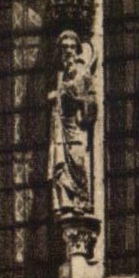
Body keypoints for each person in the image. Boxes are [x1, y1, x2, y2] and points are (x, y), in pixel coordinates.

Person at [48, 31, 98, 217]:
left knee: (78, 160)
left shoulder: (82, 73)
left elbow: (90, 99)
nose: (68, 51)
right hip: (60, 128)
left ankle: (82, 199)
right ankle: (66, 201)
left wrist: (68, 94)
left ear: (77, 50)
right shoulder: (60, 75)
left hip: (76, 126)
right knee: (61, 166)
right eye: (64, 48)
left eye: (71, 47)